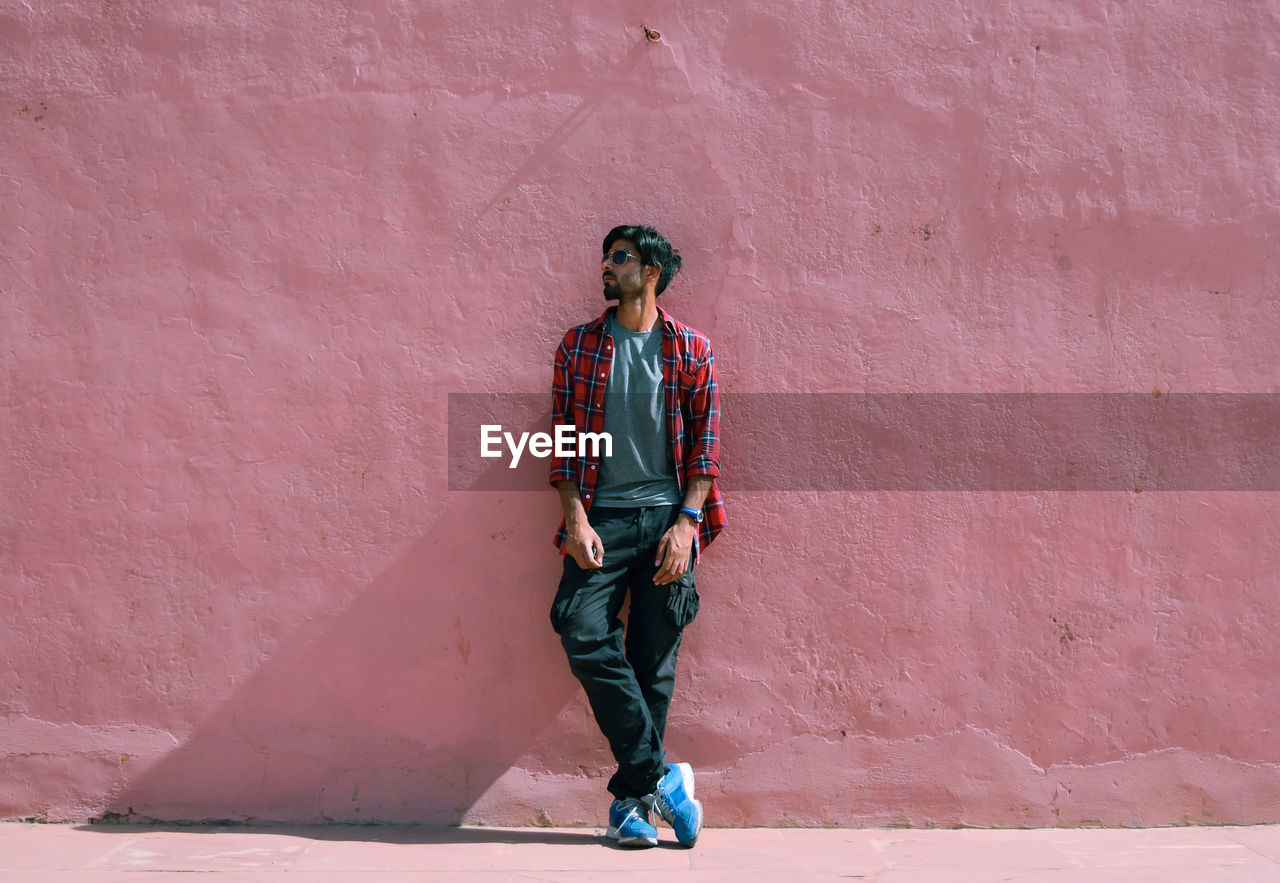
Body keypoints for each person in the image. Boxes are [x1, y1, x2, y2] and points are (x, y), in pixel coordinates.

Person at [548, 224, 726, 848]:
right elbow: (564, 446)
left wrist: (686, 524)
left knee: (653, 665)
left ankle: (629, 808)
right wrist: (575, 520)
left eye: (619, 258)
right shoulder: (580, 347)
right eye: (605, 256)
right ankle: (662, 780)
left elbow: (706, 449)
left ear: (651, 272)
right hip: (605, 520)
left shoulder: (690, 349)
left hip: (669, 523)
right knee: (580, 628)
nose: (606, 266)